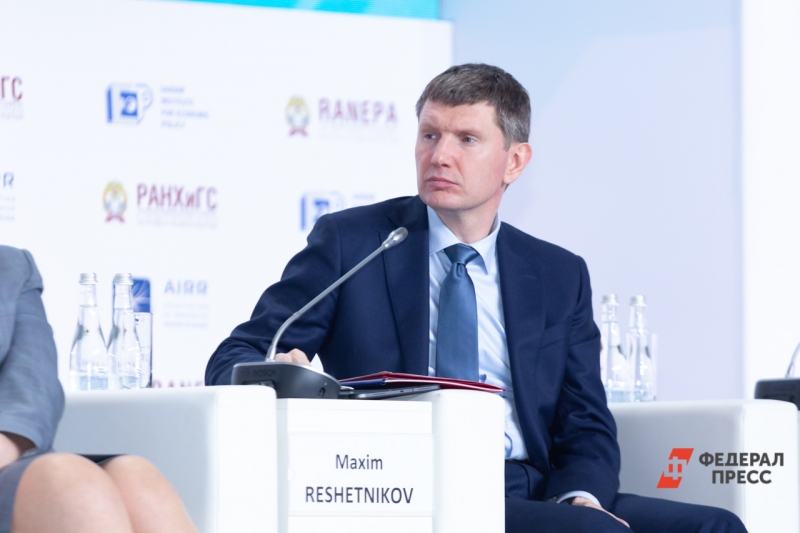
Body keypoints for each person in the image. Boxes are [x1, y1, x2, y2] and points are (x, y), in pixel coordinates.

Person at [206, 64, 747, 533]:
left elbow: (585, 421)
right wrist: (280, 372)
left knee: (714, 526)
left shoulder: (557, 274)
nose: (439, 156)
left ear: (515, 161)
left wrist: (579, 494)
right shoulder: (356, 243)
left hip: (531, 487)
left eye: (466, 139)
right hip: (409, 488)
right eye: (429, 135)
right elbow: (237, 356)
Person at [0, 245, 197, 533]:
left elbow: (33, 389)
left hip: (9, 452)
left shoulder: (11, 265)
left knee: (137, 478)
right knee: (68, 483)